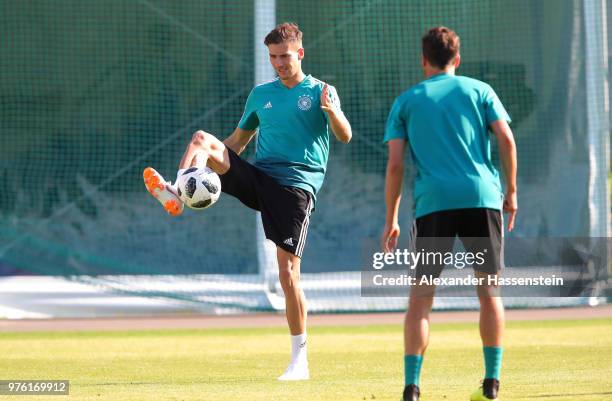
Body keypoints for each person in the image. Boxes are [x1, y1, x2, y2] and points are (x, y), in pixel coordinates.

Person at [143, 22, 351, 381]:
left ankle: (299, 361)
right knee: (201, 140)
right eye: (273, 57)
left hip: (295, 191)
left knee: (288, 275)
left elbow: (344, 135)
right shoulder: (260, 95)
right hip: (259, 178)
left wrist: (332, 112)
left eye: (285, 56)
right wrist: (212, 162)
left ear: (299, 53)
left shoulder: (321, 91)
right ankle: (177, 193)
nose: (280, 64)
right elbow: (237, 143)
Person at [381, 27, 517, 401]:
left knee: (421, 299)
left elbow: (395, 166)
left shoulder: (407, 101)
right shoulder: (480, 91)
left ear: (423, 60)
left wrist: (391, 218)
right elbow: (506, 139)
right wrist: (512, 191)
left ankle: (411, 388)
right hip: (482, 197)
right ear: (457, 59)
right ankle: (491, 383)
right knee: (489, 292)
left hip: (433, 203)